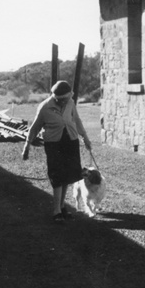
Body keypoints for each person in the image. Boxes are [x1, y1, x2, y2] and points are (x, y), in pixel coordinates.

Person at [22, 80, 93, 222]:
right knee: (57, 176)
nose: (67, 100)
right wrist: (27, 146)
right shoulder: (45, 107)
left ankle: (62, 207)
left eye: (68, 97)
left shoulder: (71, 102)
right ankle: (56, 211)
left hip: (71, 141)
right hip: (54, 144)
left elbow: (77, 120)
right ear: (57, 97)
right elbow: (35, 127)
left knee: (68, 175)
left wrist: (85, 137)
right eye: (64, 98)